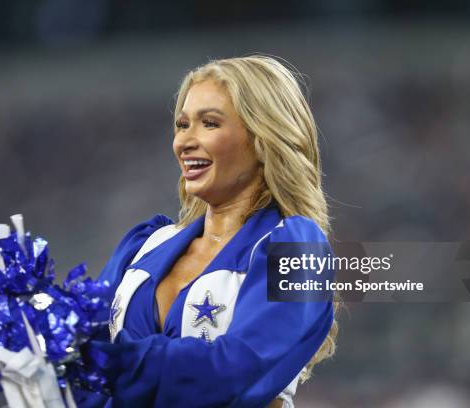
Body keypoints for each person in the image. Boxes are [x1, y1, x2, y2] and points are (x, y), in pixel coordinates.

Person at [75, 55, 339, 408]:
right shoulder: (145, 246)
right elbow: (78, 349)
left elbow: (234, 372)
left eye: (209, 123)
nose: (185, 141)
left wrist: (114, 362)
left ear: (262, 138)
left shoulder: (297, 250)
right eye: (182, 125)